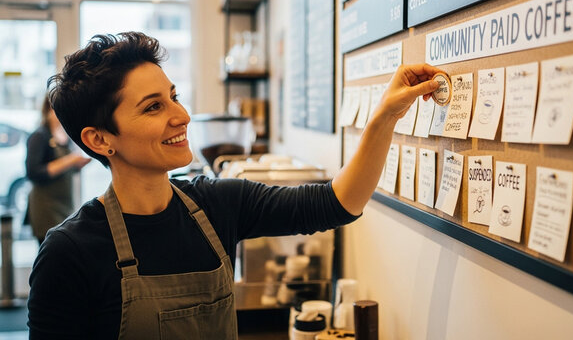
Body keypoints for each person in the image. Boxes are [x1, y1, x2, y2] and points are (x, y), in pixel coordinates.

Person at [27, 32, 442, 339]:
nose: (182, 115)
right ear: (100, 139)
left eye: (173, 96)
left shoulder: (217, 203)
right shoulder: (70, 251)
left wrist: (385, 116)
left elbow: (336, 203)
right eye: (154, 107)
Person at [25, 96, 91, 244]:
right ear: (49, 110)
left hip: (65, 205)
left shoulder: (65, 137)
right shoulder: (39, 136)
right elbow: (33, 172)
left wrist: (77, 165)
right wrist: (70, 160)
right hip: (46, 208)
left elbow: (65, 170)